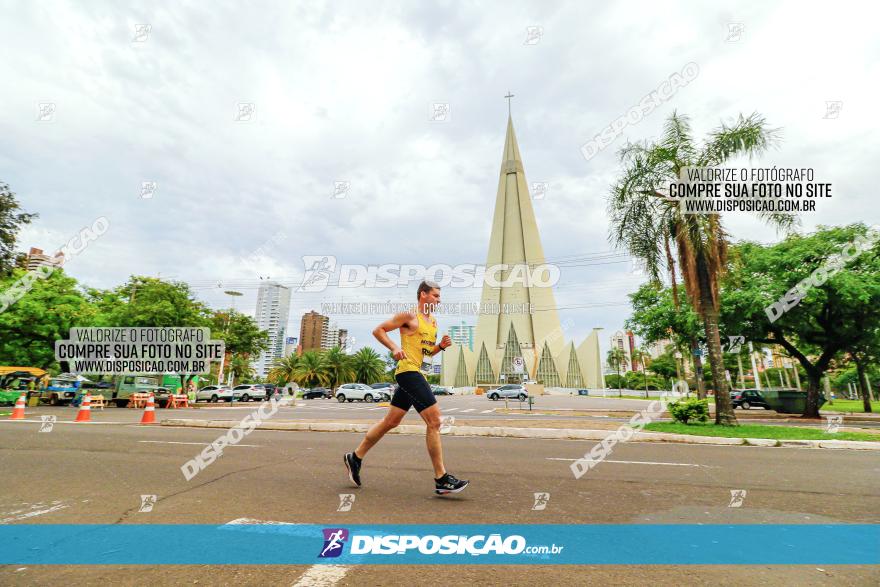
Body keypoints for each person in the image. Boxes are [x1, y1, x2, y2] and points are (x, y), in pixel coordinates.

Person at [344, 280, 469, 495]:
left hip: (418, 372)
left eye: (439, 297)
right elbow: (378, 330)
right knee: (434, 421)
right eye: (436, 296)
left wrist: (440, 347)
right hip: (408, 373)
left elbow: (425, 355)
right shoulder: (410, 316)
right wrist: (394, 347)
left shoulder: (433, 323)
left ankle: (355, 457)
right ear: (423, 295)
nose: (439, 300)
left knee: (390, 421)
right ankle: (441, 478)